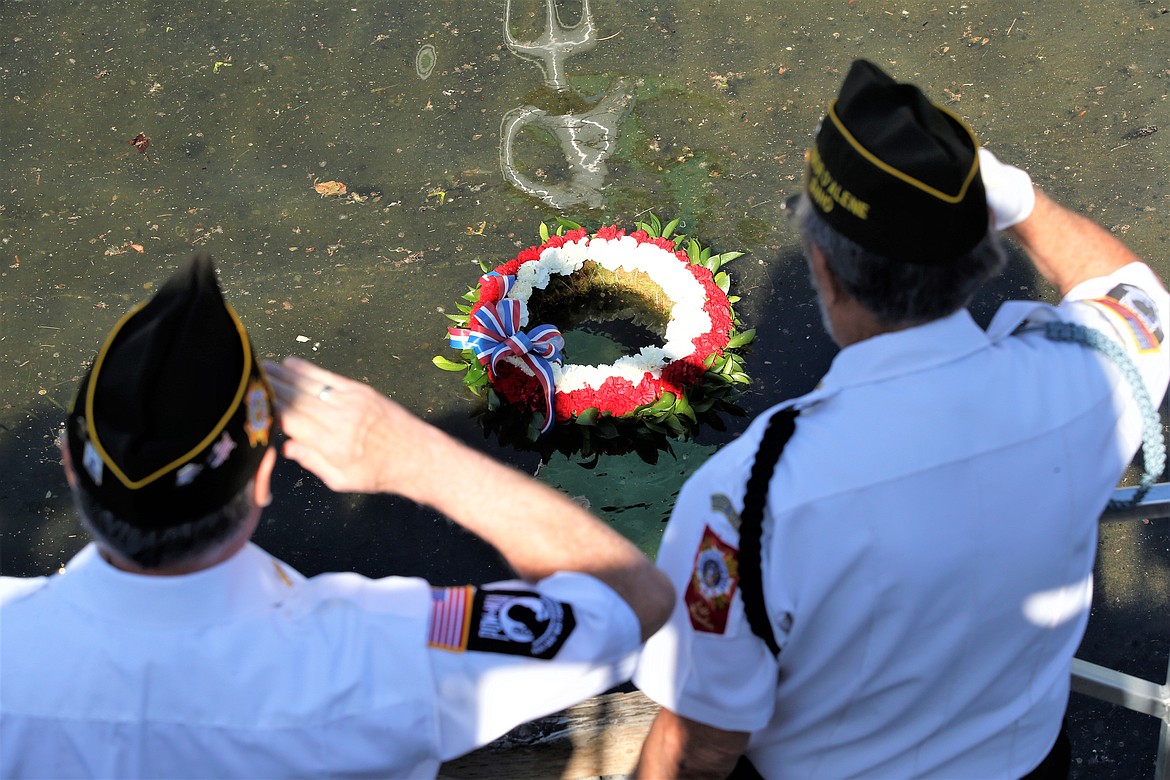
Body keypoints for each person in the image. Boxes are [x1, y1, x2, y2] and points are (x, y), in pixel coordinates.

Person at [632, 59, 1169, 779]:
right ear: (980, 256)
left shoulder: (749, 497)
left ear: (824, 265)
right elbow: (1135, 297)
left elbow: (702, 744)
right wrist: (1013, 197)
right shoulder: (1081, 389)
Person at [0, 254, 674, 778]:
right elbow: (632, 598)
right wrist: (415, 456)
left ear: (68, 464)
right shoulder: (378, 650)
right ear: (265, 476)